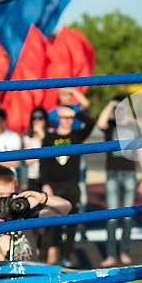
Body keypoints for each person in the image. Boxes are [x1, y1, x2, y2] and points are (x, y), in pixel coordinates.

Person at [96, 96, 142, 267]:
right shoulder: (111, 125)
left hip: (129, 174)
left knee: (127, 216)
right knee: (111, 216)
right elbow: (100, 123)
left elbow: (141, 151)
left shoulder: (134, 126)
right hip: (112, 174)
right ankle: (111, 255)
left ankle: (124, 252)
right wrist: (110, 105)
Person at [40, 105, 95, 267]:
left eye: (70, 118)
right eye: (64, 117)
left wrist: (76, 112)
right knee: (50, 224)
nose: (67, 121)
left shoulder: (77, 135)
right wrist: (45, 184)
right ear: (57, 119)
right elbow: (43, 163)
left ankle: (67, 256)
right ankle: (46, 257)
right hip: (54, 185)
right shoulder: (49, 138)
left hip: (71, 185)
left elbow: (91, 123)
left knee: (72, 223)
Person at [0, 165, 71, 262]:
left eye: (10, 195)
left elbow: (65, 208)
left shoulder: (26, 218)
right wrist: (0, 255)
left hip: (32, 276)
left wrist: (41, 198)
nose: (7, 200)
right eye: (1, 195)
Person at [23, 107, 49, 191]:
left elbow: (51, 152)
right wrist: (43, 155)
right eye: (34, 118)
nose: (37, 121)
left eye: (40, 118)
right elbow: (28, 160)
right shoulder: (28, 137)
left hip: (49, 175)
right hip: (33, 175)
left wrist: (41, 134)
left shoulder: (51, 134)